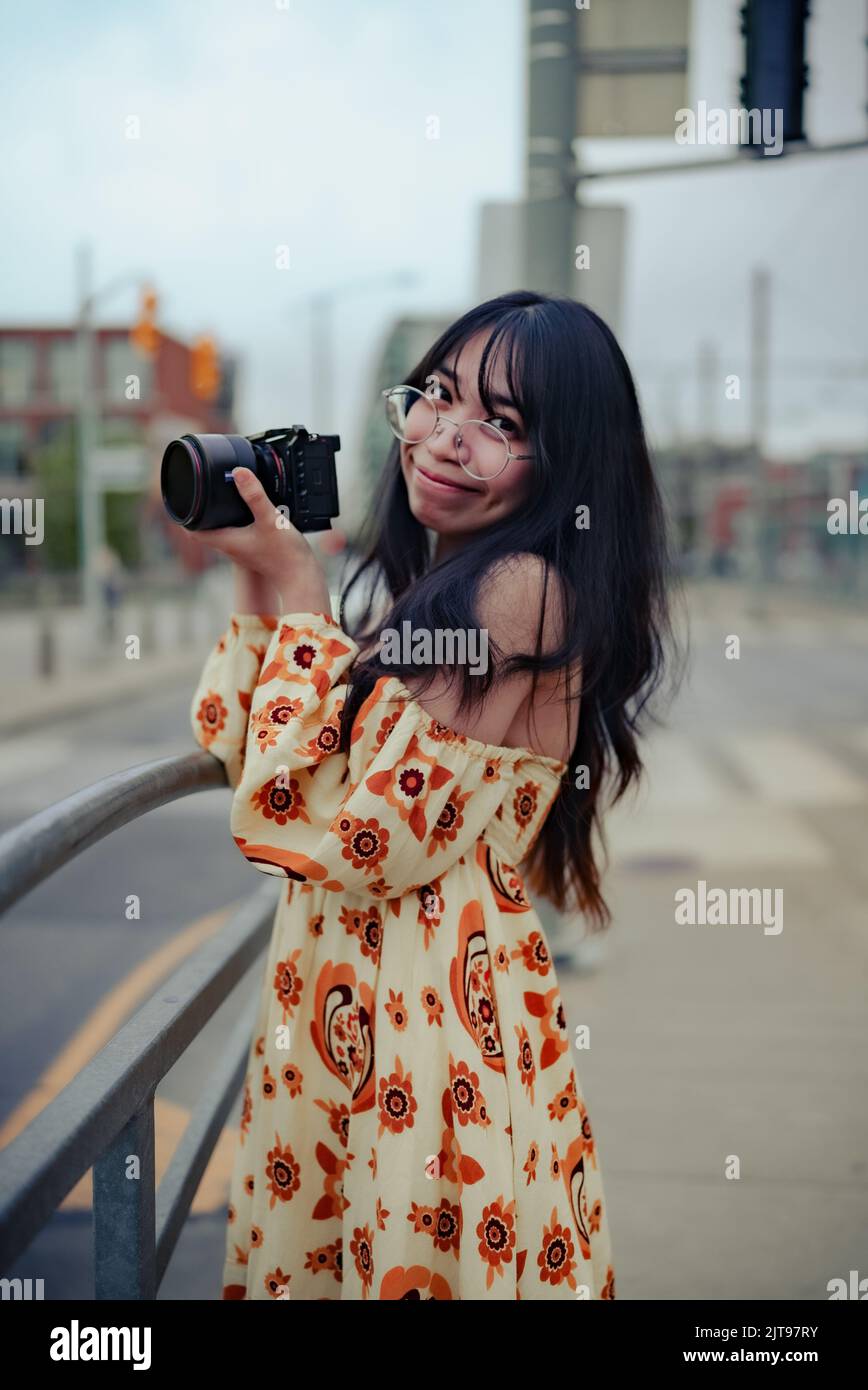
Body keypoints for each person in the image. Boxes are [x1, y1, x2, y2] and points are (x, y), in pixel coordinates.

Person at [187, 289, 676, 1300]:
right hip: (354, 1028)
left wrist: (307, 599)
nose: (447, 438)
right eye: (438, 397)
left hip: (430, 1050)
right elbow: (250, 758)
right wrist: (262, 577)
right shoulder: (435, 595)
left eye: (502, 425)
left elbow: (359, 840)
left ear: (566, 464)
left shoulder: (519, 591)